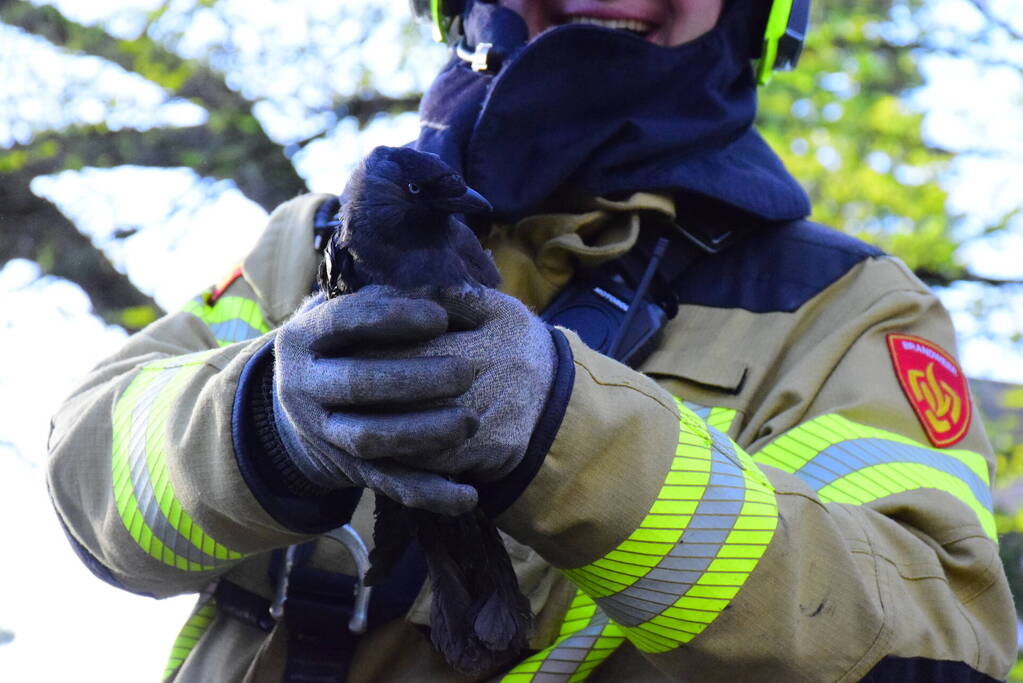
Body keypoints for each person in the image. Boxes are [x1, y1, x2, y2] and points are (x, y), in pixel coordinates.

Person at [47, 0, 1016, 680]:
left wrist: (566, 428)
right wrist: (264, 422)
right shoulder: (314, 243)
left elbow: (944, 650)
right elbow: (88, 478)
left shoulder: (844, 315)